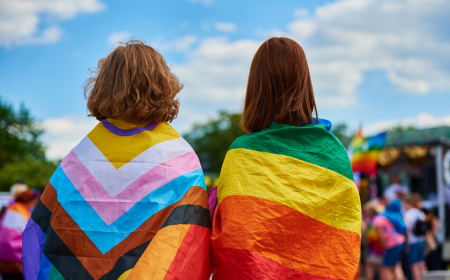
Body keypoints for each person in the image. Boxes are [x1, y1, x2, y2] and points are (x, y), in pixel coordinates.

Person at [21, 40, 211, 280]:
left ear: (105, 86)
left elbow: (37, 232)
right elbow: (189, 244)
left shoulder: (75, 161)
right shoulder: (181, 161)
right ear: (163, 85)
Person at [209, 37, 362, 280]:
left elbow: (236, 239)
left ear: (256, 87)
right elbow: (343, 242)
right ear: (305, 83)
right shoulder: (334, 153)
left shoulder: (243, 153)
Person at [0, 189, 39, 280]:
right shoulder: (23, 212)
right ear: (30, 201)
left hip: (4, 261)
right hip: (18, 262)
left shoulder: (10, 209)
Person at [373, 199, 407, 280]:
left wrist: (384, 246)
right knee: (396, 266)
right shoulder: (391, 216)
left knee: (386, 268)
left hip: (391, 245)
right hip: (400, 242)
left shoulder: (378, 219)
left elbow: (382, 236)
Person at [403, 193, 427, 280]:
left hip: (412, 242)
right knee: (422, 264)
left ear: (410, 203)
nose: (403, 206)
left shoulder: (409, 213)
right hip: (421, 240)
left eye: (405, 203)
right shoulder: (420, 213)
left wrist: (406, 243)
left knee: (414, 265)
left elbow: (406, 227)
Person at [363, 200, 385, 280]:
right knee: (380, 267)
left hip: (377, 247)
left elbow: (372, 236)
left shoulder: (375, 220)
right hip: (380, 246)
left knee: (369, 264)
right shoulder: (381, 217)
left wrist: (367, 239)